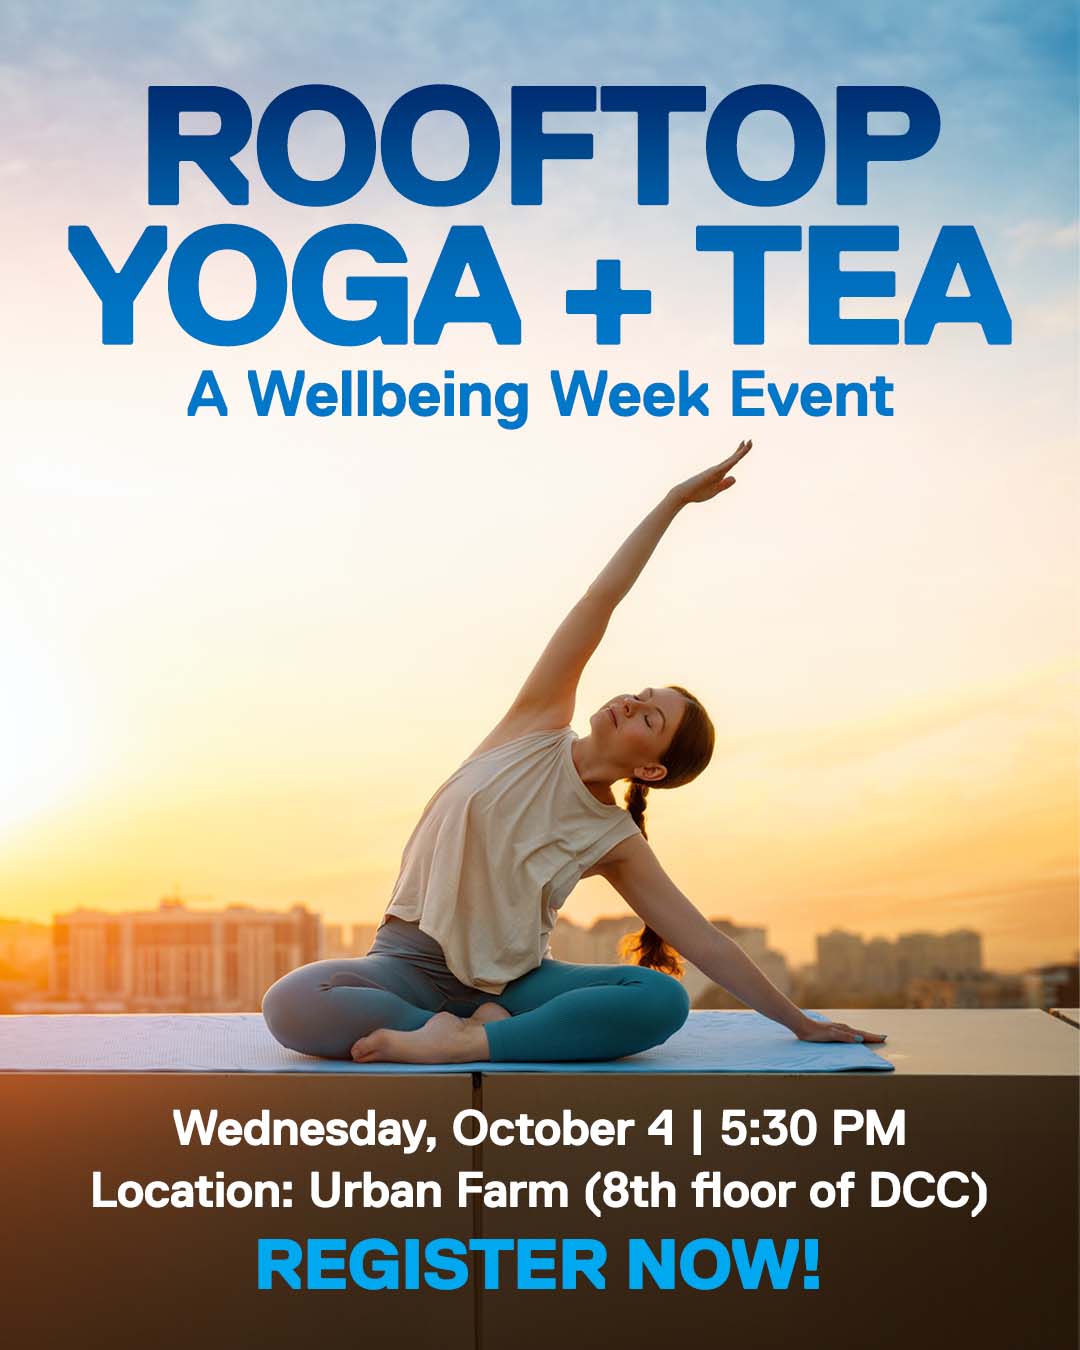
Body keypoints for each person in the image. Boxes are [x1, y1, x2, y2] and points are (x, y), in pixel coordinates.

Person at [261, 441, 886, 1064]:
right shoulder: (534, 723)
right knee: (291, 1003)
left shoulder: (613, 838)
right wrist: (672, 503)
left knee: (660, 1001)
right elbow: (599, 602)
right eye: (639, 693)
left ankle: (471, 1038)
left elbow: (704, 941)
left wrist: (800, 1022)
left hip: (515, 984)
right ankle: (469, 1030)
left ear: (651, 769)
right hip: (406, 965)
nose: (630, 702)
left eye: (651, 715)